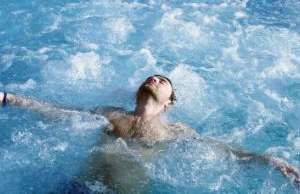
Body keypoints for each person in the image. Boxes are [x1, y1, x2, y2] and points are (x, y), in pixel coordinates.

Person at [1, 75, 300, 191]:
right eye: (151, 77)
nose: (155, 78)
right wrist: (9, 98)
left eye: (163, 80)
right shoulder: (109, 113)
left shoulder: (174, 130)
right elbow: (58, 111)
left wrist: (267, 159)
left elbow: (224, 150)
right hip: (78, 187)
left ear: (169, 102)